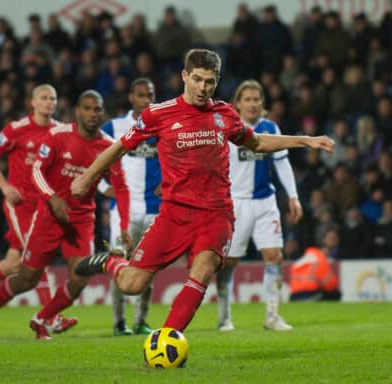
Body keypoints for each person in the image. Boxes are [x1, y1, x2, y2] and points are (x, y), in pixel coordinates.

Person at [71, 49, 334, 333]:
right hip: (173, 214)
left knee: (204, 269)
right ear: (185, 76)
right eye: (197, 79)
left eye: (209, 82)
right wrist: (87, 177)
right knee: (132, 285)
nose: (202, 88)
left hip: (216, 213)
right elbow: (120, 147)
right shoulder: (158, 114)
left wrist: (305, 140)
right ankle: (110, 262)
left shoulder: (224, 114)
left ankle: (166, 340)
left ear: (217, 81)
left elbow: (257, 142)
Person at [0, 90, 130, 341]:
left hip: (81, 220)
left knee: (80, 277)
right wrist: (52, 198)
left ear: (103, 113)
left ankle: (42, 318)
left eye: (97, 110)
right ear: (78, 111)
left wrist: (124, 226)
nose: (92, 114)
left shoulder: (109, 147)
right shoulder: (57, 136)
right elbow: (37, 171)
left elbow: (121, 188)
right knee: (26, 278)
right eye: (87, 109)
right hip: (48, 216)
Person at [0, 85, 76, 334]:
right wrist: (4, 187)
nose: (49, 102)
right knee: (36, 258)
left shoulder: (59, 131)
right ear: (32, 102)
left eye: (52, 98)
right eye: (43, 98)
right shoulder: (16, 129)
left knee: (13, 263)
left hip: (43, 206)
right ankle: (50, 318)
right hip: (20, 204)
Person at [215, 80, 302, 332]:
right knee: (229, 262)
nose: (252, 104)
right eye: (248, 99)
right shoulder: (229, 129)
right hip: (236, 203)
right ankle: (224, 318)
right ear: (238, 104)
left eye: (256, 99)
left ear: (262, 103)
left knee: (274, 256)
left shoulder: (270, 127)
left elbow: (282, 164)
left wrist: (293, 196)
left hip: (265, 202)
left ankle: (272, 316)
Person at [99, 78, 159, 336]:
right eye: (141, 94)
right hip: (122, 210)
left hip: (155, 208)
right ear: (131, 98)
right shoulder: (115, 126)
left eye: (150, 94)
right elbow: (92, 157)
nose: (146, 99)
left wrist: (169, 184)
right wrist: (103, 189)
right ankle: (118, 323)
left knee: (148, 266)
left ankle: (141, 321)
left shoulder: (164, 124)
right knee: (118, 262)